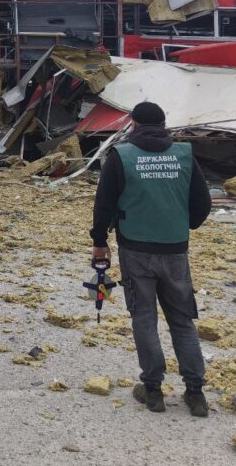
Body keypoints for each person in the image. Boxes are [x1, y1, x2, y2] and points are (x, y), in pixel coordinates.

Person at [89, 101, 212, 416]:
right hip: (175, 250)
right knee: (182, 320)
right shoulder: (184, 155)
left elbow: (104, 205)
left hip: (135, 249)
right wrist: (182, 224)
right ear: (163, 124)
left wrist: (99, 241)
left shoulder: (121, 157)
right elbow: (202, 203)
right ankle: (196, 393)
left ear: (133, 124)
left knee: (144, 319)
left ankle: (153, 390)